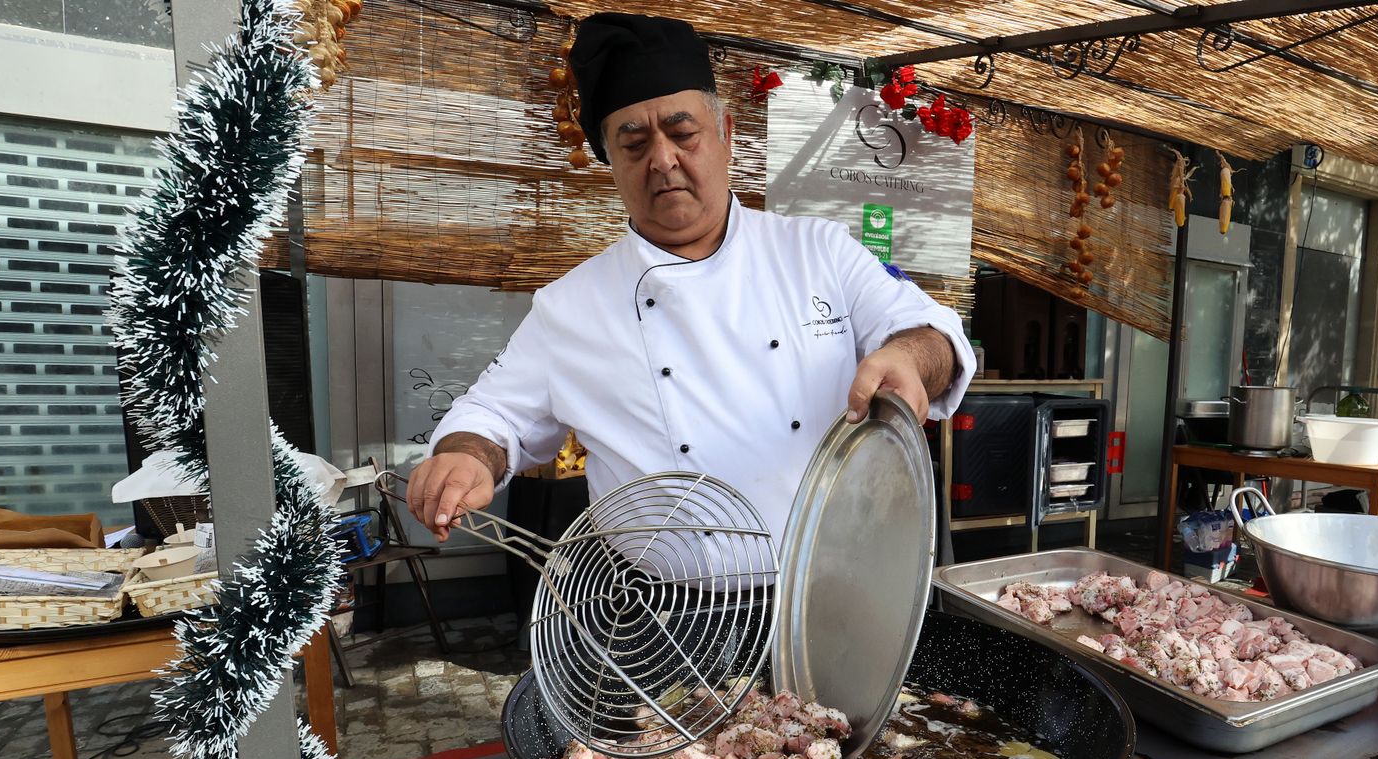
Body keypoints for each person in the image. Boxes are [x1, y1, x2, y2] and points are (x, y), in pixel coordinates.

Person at [407, 12, 975, 547]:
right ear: (609, 159)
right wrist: (465, 456)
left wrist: (910, 357)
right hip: (667, 617)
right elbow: (493, 414)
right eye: (633, 143)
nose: (663, 159)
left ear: (725, 131)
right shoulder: (571, 306)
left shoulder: (817, 251)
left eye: (683, 133)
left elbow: (931, 333)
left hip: (830, 597)